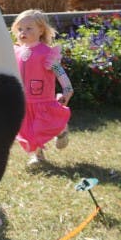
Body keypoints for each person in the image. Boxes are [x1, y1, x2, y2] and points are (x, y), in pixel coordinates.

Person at [10, 10, 73, 167]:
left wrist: (67, 88)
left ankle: (61, 130)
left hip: (42, 99)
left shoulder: (46, 53)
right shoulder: (15, 51)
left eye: (29, 28)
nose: (23, 32)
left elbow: (59, 71)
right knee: (28, 131)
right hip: (23, 100)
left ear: (41, 30)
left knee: (45, 125)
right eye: (20, 29)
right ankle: (38, 156)